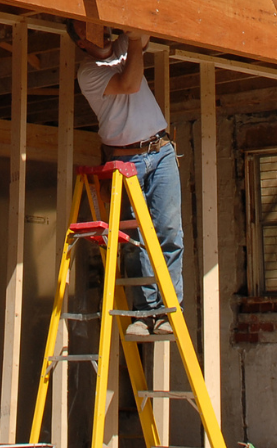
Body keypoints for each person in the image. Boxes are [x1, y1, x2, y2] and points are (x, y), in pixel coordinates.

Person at [71, 17, 183, 337]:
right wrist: (134, 41)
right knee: (135, 240)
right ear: (81, 43)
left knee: (169, 231)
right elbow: (130, 83)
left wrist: (132, 26)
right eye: (91, 33)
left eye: (102, 28)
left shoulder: (121, 48)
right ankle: (144, 313)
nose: (102, 33)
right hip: (126, 160)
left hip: (160, 152)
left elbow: (144, 26)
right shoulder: (88, 72)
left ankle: (169, 310)